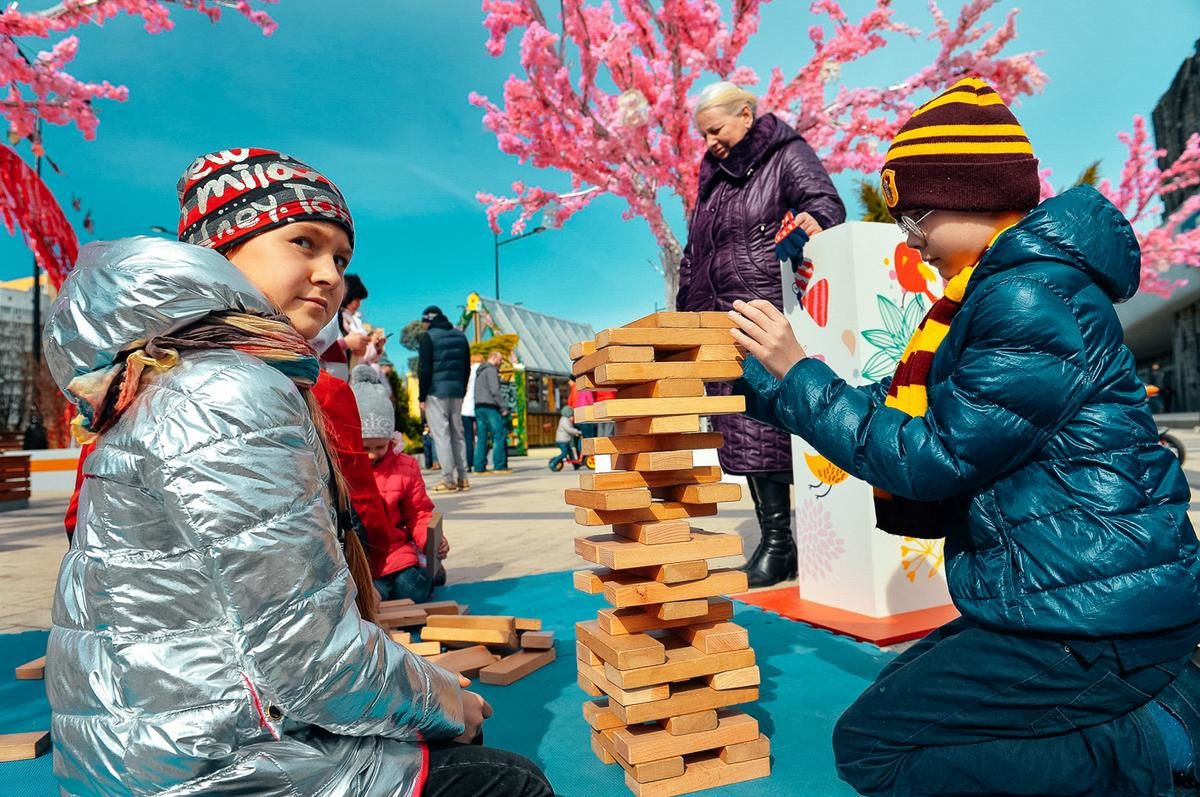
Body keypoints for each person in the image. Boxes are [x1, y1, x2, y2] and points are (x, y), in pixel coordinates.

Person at [728, 79, 1200, 797]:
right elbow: (908, 419)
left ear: (974, 197)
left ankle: (1156, 746)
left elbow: (929, 454)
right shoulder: (1007, 288)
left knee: (874, 747)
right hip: (1074, 593)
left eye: (916, 216)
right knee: (902, 700)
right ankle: (1152, 710)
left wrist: (797, 373)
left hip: (1099, 614)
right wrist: (768, 386)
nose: (911, 241)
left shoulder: (1025, 295)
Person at [43, 147, 554, 797]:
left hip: (144, 748)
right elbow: (307, 658)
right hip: (207, 768)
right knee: (507, 780)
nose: (329, 274)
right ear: (220, 250)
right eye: (303, 242)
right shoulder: (229, 388)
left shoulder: (172, 370)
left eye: (339, 257)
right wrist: (445, 697)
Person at [675, 80, 846, 587]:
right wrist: (687, 311)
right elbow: (693, 254)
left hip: (765, 306)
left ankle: (786, 543)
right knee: (742, 429)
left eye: (716, 130)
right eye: (703, 135)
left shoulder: (786, 154)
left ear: (747, 115)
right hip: (718, 316)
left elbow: (825, 206)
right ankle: (778, 542)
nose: (709, 142)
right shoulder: (712, 183)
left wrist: (796, 238)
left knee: (770, 424)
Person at [350, 365, 449, 602]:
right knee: (375, 598)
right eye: (365, 448)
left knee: (414, 591)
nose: (373, 455)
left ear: (390, 438)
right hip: (364, 560)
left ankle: (427, 567)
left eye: (379, 447)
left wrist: (429, 541)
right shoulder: (346, 468)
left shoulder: (405, 466)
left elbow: (418, 513)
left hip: (396, 551)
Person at [417, 305, 470, 492]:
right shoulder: (461, 336)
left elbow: (424, 369)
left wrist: (422, 396)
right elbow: (466, 367)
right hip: (456, 392)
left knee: (442, 435)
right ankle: (463, 477)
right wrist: (462, 390)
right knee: (458, 434)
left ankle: (448, 479)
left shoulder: (428, 337)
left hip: (436, 392)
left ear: (427, 320)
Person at [473, 350, 511, 474]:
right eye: (500, 361)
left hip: (478, 406)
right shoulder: (491, 370)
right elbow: (494, 390)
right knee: (498, 435)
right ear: (494, 358)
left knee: (482, 437)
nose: (500, 364)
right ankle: (499, 466)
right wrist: (503, 406)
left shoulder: (480, 371)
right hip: (490, 406)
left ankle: (479, 467)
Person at [462, 357, 481, 473]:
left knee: (468, 438)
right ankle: (479, 462)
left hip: (465, 408)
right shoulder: (482, 371)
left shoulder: (467, 371)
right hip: (478, 406)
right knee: (481, 436)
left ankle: (468, 463)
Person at [550, 406, 583, 470]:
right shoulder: (564, 420)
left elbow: (569, 430)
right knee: (564, 453)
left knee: (570, 453)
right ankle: (553, 463)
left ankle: (576, 465)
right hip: (562, 441)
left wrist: (575, 433)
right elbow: (568, 429)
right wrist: (577, 432)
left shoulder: (566, 419)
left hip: (565, 440)